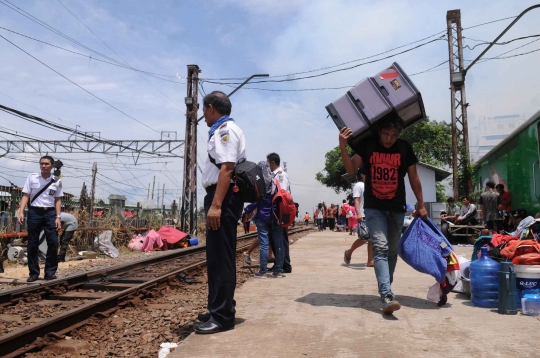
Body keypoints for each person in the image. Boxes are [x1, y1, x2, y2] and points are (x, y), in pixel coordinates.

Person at [339, 116, 428, 314]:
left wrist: (421, 204)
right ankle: (387, 294)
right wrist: (343, 146)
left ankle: (386, 288)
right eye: (386, 134)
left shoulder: (404, 148)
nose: (389, 139)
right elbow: (351, 168)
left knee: (392, 251)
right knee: (380, 247)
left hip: (397, 207)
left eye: (394, 135)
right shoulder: (368, 146)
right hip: (374, 207)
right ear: (379, 132)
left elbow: (414, 177)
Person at [196, 91, 245, 334]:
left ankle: (223, 316)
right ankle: (219, 307)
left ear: (211, 108)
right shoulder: (222, 129)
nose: (203, 116)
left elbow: (227, 168)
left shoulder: (225, 130)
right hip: (221, 197)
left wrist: (216, 205)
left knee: (221, 258)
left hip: (222, 198)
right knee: (216, 258)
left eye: (204, 110)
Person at [18, 155, 63, 282]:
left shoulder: (57, 180)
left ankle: (50, 272)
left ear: (52, 166)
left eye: (47, 164)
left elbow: (58, 199)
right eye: (42, 163)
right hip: (34, 212)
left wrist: (58, 217)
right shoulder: (32, 177)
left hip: (50, 213)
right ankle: (34, 273)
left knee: (53, 242)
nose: (44, 166)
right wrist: (21, 211)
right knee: (32, 243)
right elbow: (26, 195)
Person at [245, 160, 285, 278]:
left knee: (264, 244)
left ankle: (262, 271)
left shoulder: (259, 183)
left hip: (262, 217)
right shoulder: (275, 182)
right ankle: (278, 270)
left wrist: (247, 210)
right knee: (278, 244)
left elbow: (256, 202)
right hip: (276, 216)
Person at [267, 152, 293, 274]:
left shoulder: (281, 175)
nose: (268, 166)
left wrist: (279, 215)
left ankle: (285, 265)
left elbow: (282, 195)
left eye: (268, 163)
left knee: (281, 239)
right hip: (277, 211)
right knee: (277, 239)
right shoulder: (275, 175)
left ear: (272, 162)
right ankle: (280, 263)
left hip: (280, 211)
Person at [344, 169, 374, 267]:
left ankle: (370, 261)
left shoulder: (372, 185)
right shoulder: (359, 185)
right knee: (364, 237)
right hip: (363, 215)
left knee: (371, 239)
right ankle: (349, 252)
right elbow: (356, 200)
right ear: (362, 174)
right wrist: (358, 213)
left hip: (373, 214)